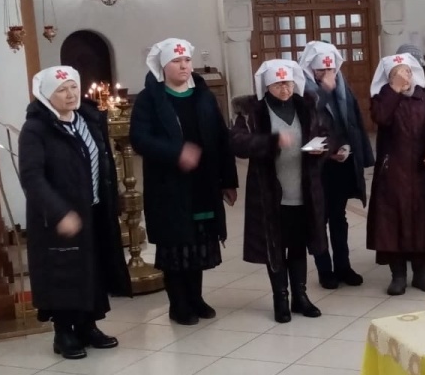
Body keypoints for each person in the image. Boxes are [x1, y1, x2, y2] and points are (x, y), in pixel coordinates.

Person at [19, 65, 130, 359]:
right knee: (64, 272)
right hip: (58, 216)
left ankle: (87, 326)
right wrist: (59, 212)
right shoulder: (36, 129)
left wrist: (112, 196)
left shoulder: (88, 119)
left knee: (92, 268)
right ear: (46, 95)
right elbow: (32, 177)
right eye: (61, 90)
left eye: (73, 87)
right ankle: (64, 332)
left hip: (92, 209)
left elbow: (103, 160)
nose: (70, 94)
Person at [130, 38, 238, 326]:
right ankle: (178, 304)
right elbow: (139, 139)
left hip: (203, 182)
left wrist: (228, 180)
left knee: (198, 241)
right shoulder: (150, 99)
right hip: (169, 186)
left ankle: (196, 298)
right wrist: (176, 153)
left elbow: (221, 138)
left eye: (187, 60)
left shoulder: (203, 96)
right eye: (176, 61)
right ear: (163, 66)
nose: (184, 66)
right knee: (176, 245)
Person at [231, 60, 328, 323]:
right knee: (275, 245)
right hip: (270, 192)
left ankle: (300, 296)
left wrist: (322, 148)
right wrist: (272, 141)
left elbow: (324, 132)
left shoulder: (305, 106)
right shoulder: (252, 111)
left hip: (303, 189)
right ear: (267, 85)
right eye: (278, 84)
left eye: (288, 83)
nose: (285, 89)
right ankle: (280, 298)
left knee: (298, 245)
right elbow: (238, 143)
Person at [298, 41, 374, 289]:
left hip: (341, 162)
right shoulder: (302, 89)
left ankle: (343, 266)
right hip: (316, 166)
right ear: (311, 69)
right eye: (321, 70)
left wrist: (350, 148)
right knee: (319, 219)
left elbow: (351, 121)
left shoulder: (343, 86)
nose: (327, 75)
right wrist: (324, 91)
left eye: (331, 69)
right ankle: (324, 270)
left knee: (339, 217)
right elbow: (308, 119)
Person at [367, 53, 425, 296]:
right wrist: (394, 90)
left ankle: (421, 273)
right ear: (389, 78)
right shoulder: (382, 98)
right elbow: (381, 117)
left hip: (421, 172)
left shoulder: (423, 97)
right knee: (393, 222)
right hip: (393, 171)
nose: (405, 77)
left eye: (408, 71)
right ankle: (398, 275)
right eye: (398, 74)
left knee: (422, 220)